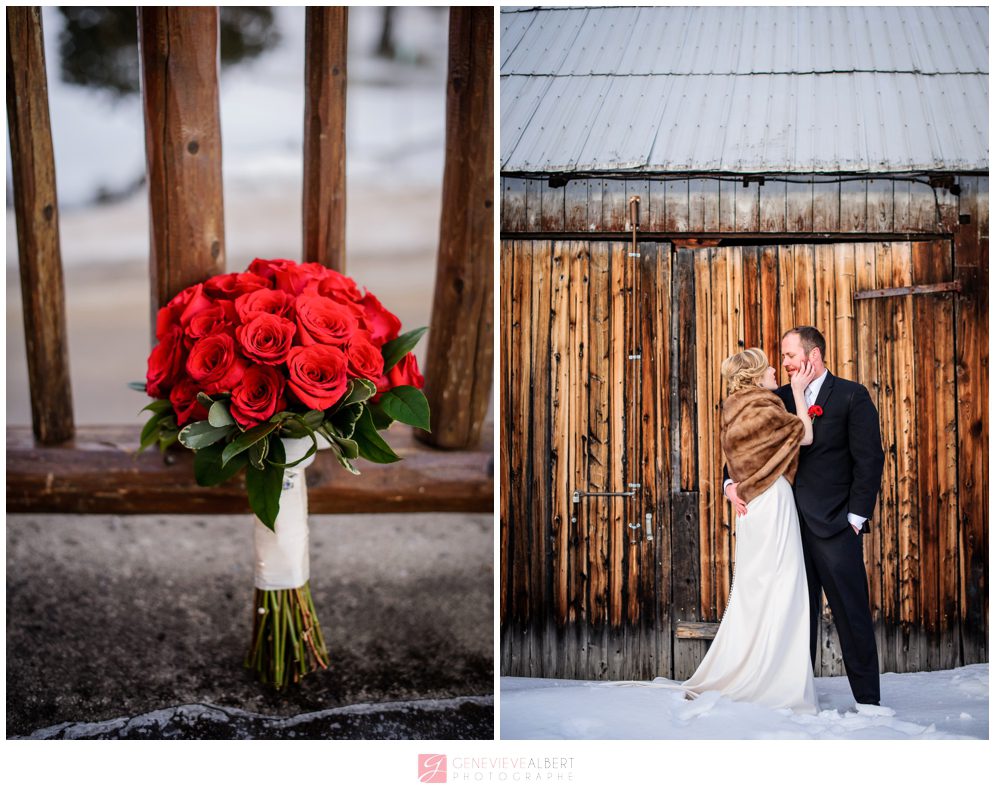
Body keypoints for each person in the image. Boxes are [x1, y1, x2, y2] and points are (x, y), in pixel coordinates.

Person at [724, 326, 888, 714]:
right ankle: (794, 697)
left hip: (835, 527)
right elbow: (743, 441)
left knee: (851, 612)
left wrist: (855, 517)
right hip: (786, 526)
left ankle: (869, 702)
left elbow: (870, 460)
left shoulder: (851, 395)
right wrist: (730, 482)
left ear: (812, 357)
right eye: (782, 357)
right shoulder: (777, 398)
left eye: (789, 356)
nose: (783, 363)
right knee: (794, 614)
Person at [682, 348, 820, 714]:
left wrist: (732, 487)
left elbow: (736, 460)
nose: (776, 369)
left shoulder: (732, 407)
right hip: (772, 499)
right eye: (769, 366)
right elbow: (803, 436)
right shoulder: (765, 405)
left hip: (751, 506)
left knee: (755, 588)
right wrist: (801, 394)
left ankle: (752, 668)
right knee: (783, 585)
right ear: (758, 375)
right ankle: (772, 680)